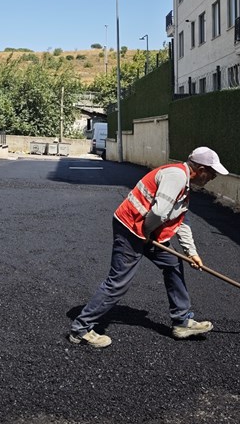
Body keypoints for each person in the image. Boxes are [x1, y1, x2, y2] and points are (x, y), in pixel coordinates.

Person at [69, 146, 229, 348]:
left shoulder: (184, 183)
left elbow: (180, 220)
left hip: (147, 230)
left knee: (173, 264)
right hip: (130, 228)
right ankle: (80, 329)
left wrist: (192, 253)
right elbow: (160, 212)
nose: (212, 177)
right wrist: (145, 233)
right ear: (200, 168)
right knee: (118, 282)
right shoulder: (176, 177)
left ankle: (182, 321)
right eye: (212, 172)